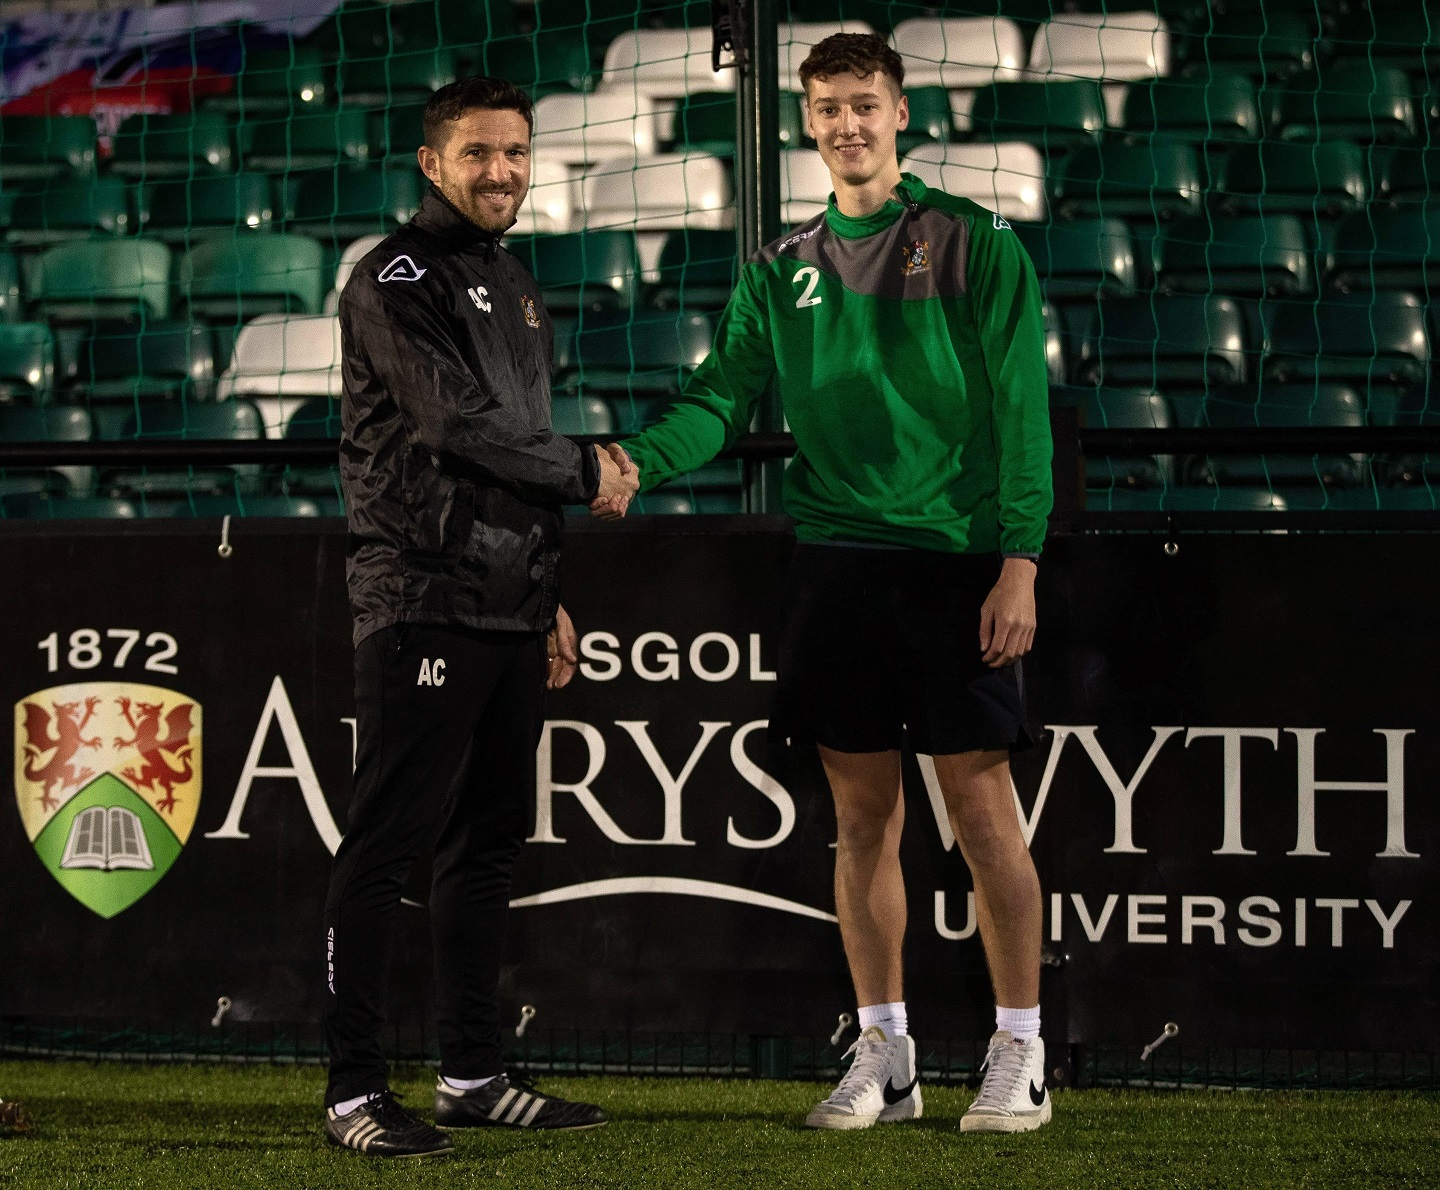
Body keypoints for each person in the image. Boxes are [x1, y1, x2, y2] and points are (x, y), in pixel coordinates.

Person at [617, 34, 1053, 1134]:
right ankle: (886, 1053)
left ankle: (1021, 1050)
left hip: (959, 565)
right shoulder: (779, 264)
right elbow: (722, 398)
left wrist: (1020, 559)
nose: (846, 124)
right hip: (835, 561)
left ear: (901, 112)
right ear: (805, 122)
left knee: (983, 813)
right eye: (826, 109)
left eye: (865, 104)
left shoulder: (976, 242)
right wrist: (636, 460)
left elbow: (1021, 413)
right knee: (862, 822)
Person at [324, 75, 639, 1158]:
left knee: (487, 844)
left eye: (515, 151)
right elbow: (457, 428)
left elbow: (512, 441)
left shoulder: (516, 280)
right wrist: (587, 466)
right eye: (477, 153)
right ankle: (353, 1091)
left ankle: (470, 1070)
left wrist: (547, 592)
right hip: (420, 594)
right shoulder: (391, 277)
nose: (500, 170)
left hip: (510, 602)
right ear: (431, 162)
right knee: (387, 845)